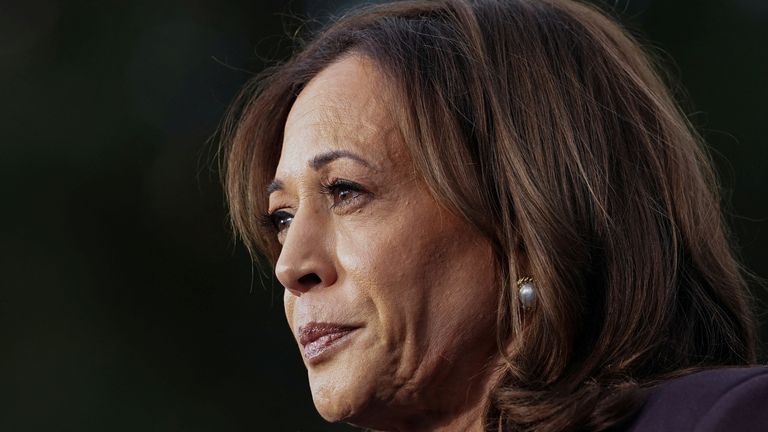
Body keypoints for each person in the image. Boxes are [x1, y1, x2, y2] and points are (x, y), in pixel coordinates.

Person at [218, 0, 767, 430]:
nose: (291, 267)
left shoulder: (728, 419)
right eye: (283, 217)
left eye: (344, 190)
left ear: (527, 221)